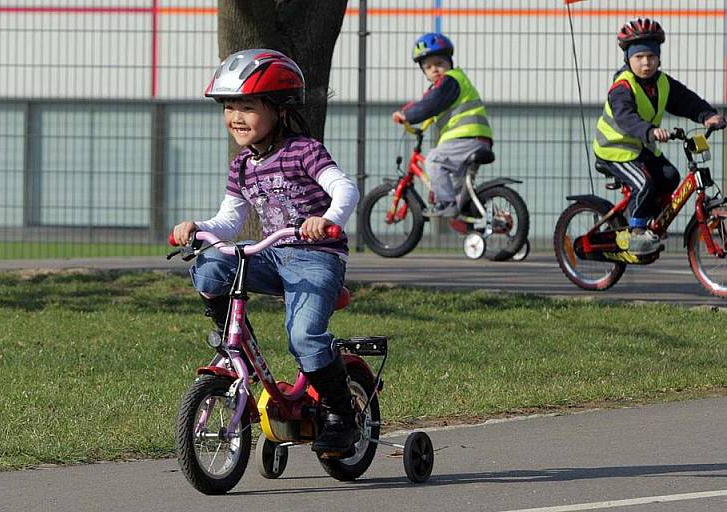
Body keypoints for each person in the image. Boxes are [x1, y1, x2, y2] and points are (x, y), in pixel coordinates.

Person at [171, 49, 361, 457]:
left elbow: (345, 188)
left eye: (248, 107)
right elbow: (229, 220)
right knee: (210, 267)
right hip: (273, 255)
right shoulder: (241, 165)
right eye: (229, 107)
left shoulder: (304, 150)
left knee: (305, 336)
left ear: (277, 109)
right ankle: (232, 343)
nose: (236, 117)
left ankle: (340, 415)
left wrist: (327, 219)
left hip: (316, 256)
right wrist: (199, 229)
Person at [593, 18, 726, 256]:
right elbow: (626, 117)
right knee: (644, 183)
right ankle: (636, 233)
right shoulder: (622, 87)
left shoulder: (662, 83)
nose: (646, 63)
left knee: (670, 176)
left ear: (659, 58)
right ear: (628, 59)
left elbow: (687, 101)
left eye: (652, 57)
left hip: (641, 148)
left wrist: (708, 115)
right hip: (614, 150)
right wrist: (650, 131)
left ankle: (649, 221)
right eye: (639, 57)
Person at [391, 32, 493, 217]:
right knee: (460, 193)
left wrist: (406, 115)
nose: (434, 69)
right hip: (479, 138)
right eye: (428, 67)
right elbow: (429, 106)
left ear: (449, 63)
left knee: (434, 160)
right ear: (424, 72)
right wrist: (415, 117)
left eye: (439, 64)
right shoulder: (449, 86)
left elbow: (428, 105)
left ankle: (445, 204)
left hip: (465, 138)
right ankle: (476, 224)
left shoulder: (450, 81)